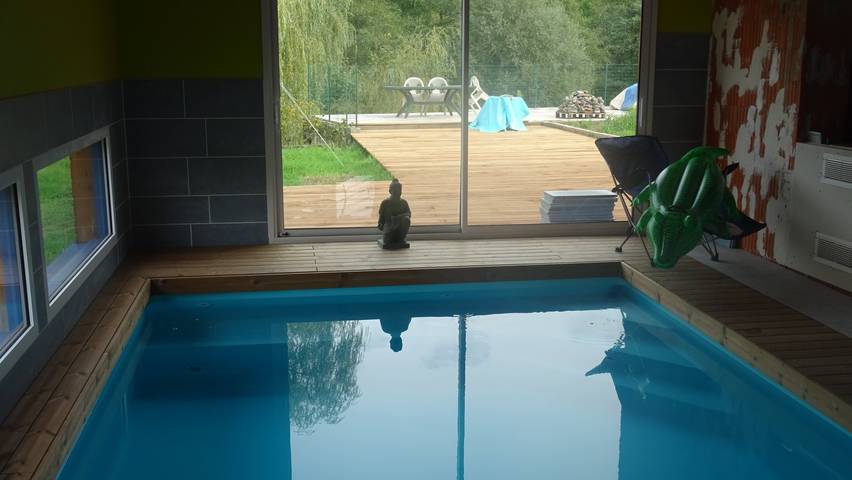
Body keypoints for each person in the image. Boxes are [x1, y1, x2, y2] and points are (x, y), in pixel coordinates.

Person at [377, 178, 411, 249]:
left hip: (400, 227)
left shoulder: (403, 202)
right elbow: (381, 217)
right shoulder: (385, 203)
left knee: (406, 219)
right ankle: (391, 237)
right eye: (395, 191)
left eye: (399, 191)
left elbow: (408, 213)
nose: (397, 193)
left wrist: (398, 217)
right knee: (388, 241)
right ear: (390, 191)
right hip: (389, 226)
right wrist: (381, 224)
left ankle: (401, 238)